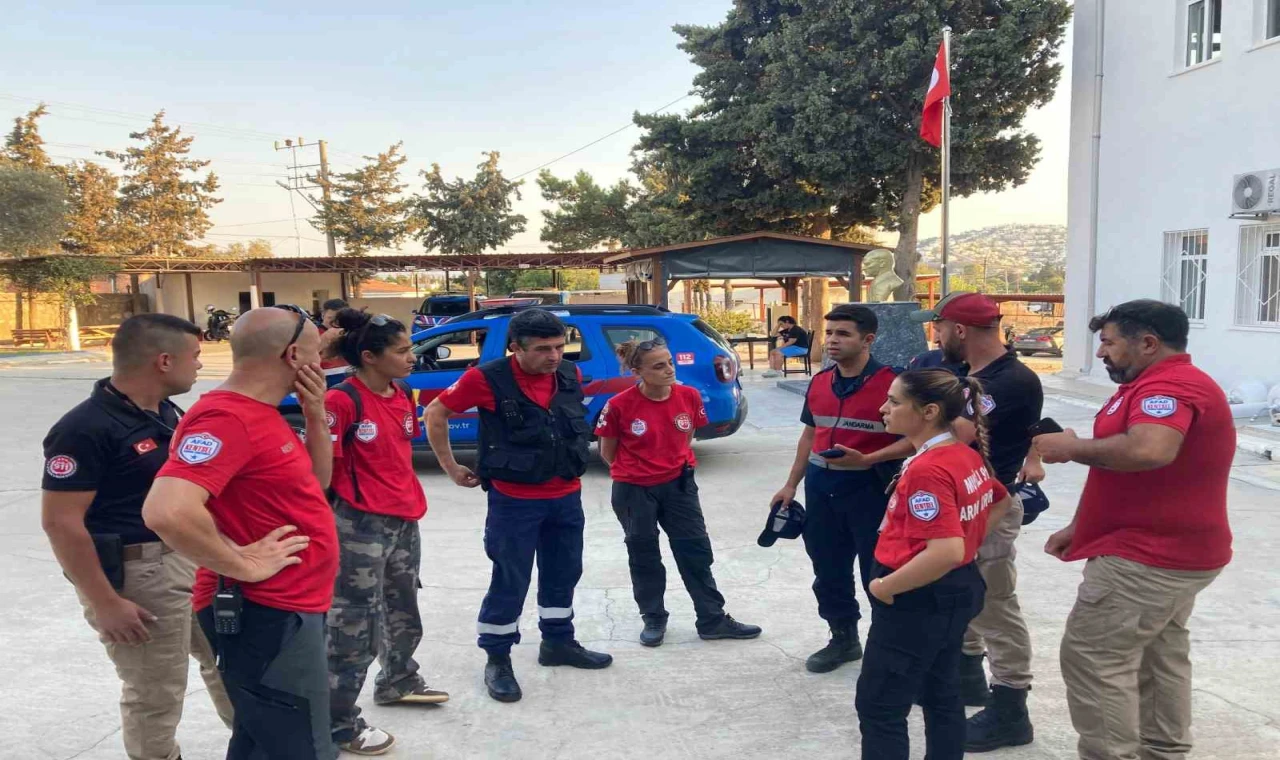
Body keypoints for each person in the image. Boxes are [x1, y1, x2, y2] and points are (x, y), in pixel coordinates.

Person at [1035, 300, 1233, 760]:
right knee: (1158, 654)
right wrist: (1081, 525)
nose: (1101, 353)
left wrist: (1072, 447)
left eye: (1108, 342)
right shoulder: (1147, 383)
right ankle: (1162, 751)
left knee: (1094, 657)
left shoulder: (1170, 385)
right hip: (1167, 549)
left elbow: (1149, 451)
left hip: (1149, 556)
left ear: (1148, 343)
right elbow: (1123, 468)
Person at [141, 307, 339, 760]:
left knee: (260, 740)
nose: (323, 362)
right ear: (293, 355)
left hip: (291, 604)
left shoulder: (261, 414)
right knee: (299, 745)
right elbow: (166, 510)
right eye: (317, 352)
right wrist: (242, 563)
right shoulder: (228, 419)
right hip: (267, 611)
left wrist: (314, 412)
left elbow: (317, 481)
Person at [41, 314, 233, 760]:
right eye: (196, 357)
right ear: (164, 361)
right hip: (137, 572)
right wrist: (106, 603)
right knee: (156, 689)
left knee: (225, 662)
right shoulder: (84, 428)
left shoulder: (164, 412)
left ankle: (256, 743)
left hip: (188, 559)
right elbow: (61, 523)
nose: (200, 366)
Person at [424, 308, 611, 704]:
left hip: (565, 495)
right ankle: (498, 659)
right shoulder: (484, 378)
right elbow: (435, 412)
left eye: (561, 346)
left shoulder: (568, 374)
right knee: (511, 580)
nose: (555, 356)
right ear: (515, 347)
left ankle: (558, 643)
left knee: (564, 572)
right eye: (543, 349)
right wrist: (450, 466)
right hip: (515, 502)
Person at [856, 369, 1011, 760]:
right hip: (952, 590)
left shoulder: (929, 469)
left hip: (918, 597)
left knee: (880, 705)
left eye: (894, 401)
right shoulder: (961, 452)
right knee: (940, 691)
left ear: (928, 411)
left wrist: (885, 587)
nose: (883, 408)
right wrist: (967, 544)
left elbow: (944, 552)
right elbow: (1000, 501)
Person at [910, 291, 1042, 751]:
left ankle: (1011, 708)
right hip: (965, 503)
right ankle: (968, 679)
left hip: (990, 507)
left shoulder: (1011, 381)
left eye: (939, 327)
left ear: (959, 330)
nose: (936, 335)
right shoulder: (971, 375)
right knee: (961, 596)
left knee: (994, 605)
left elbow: (949, 434)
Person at [324, 310, 448, 756]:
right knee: (353, 625)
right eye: (401, 350)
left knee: (402, 607)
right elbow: (322, 473)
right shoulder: (341, 402)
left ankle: (398, 679)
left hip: (403, 519)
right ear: (369, 357)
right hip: (358, 524)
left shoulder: (402, 393)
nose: (412, 356)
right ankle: (337, 723)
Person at [768, 305, 914, 673]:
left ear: (867, 339)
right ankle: (843, 638)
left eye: (843, 333)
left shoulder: (895, 384)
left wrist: (869, 459)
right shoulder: (819, 382)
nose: (832, 340)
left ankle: (888, 648)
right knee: (829, 570)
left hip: (871, 490)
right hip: (821, 490)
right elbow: (810, 434)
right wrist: (790, 484)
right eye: (829, 332)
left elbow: (918, 439)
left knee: (879, 573)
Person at [596, 338, 762, 647]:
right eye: (659, 366)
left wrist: (671, 465)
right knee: (644, 555)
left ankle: (712, 619)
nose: (669, 370)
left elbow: (687, 436)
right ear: (638, 371)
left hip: (679, 486)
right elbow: (608, 453)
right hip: (634, 491)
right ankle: (654, 618)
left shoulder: (689, 396)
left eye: (670, 362)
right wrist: (640, 470)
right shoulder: (619, 405)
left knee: (695, 551)